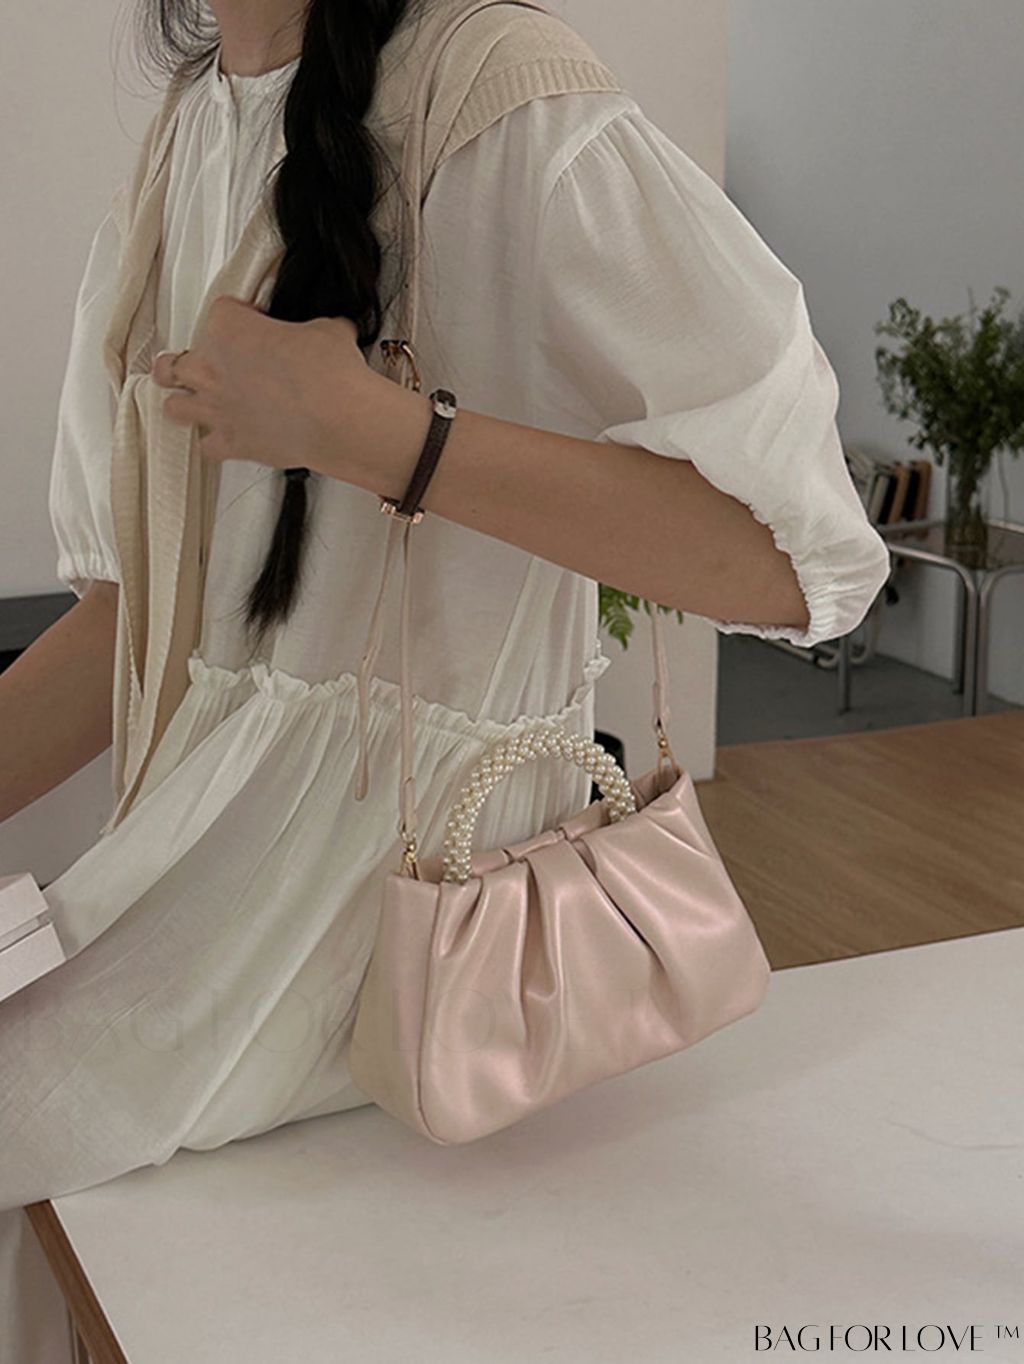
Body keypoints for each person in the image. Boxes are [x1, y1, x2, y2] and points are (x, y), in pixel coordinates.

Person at [0, 0, 891, 1354]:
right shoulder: (188, 134)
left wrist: (380, 435)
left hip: (394, 908)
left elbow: (796, 557)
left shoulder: (503, 100)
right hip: (200, 859)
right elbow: (136, 629)